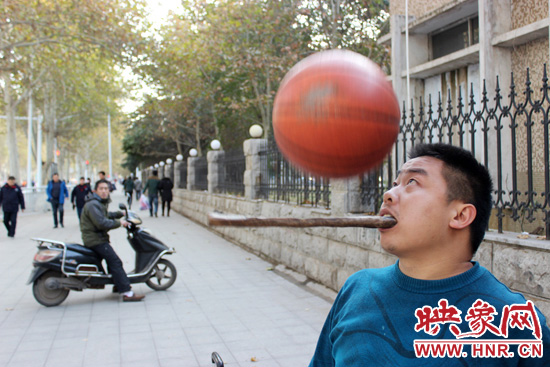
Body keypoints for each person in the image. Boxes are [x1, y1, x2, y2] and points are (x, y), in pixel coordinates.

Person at [309, 143, 550, 366]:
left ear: (459, 216)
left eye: (412, 182)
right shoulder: (356, 289)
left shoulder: (515, 321)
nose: (389, 194)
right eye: (395, 183)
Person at [80, 179, 145, 302]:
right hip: (95, 240)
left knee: (111, 262)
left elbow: (105, 215)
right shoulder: (93, 204)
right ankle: (127, 292)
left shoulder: (97, 203)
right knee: (115, 262)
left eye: (106, 189)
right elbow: (101, 222)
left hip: (97, 238)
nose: (104, 191)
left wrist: (120, 213)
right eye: (101, 189)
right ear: (95, 190)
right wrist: (119, 223)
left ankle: (117, 285)